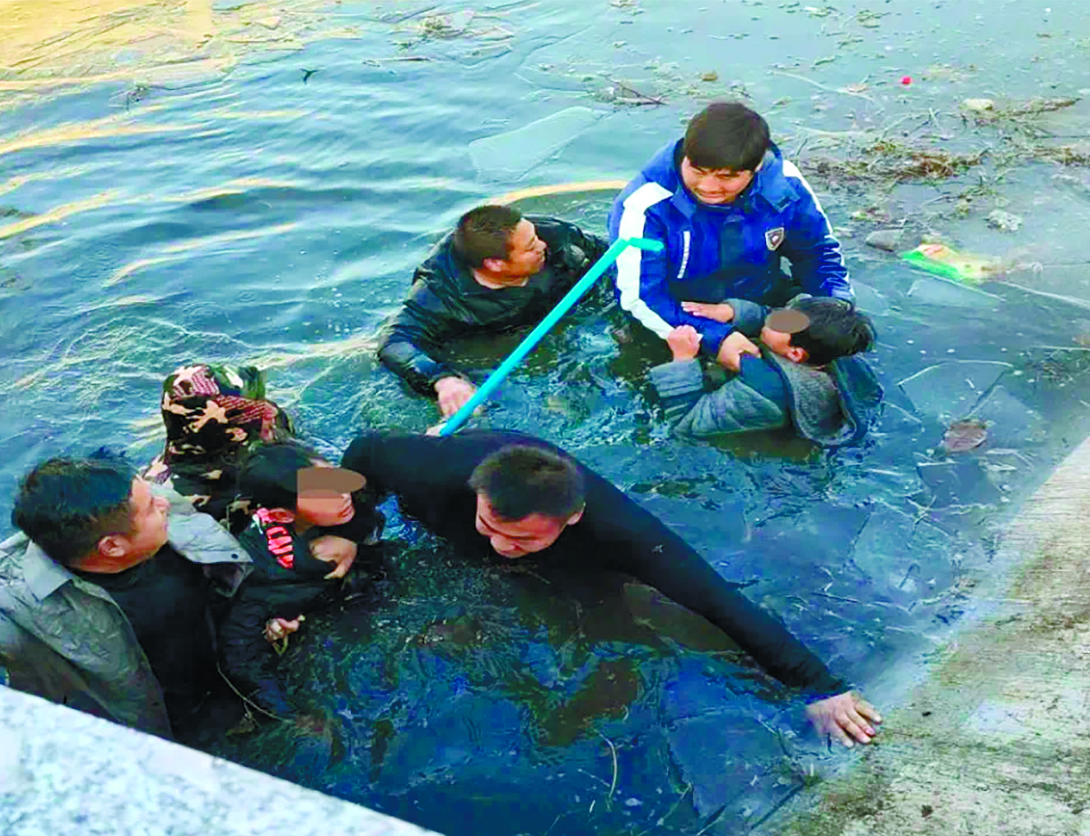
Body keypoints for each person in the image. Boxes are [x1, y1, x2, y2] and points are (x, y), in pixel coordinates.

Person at [341, 429, 882, 747]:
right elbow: (362, 452)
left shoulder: (623, 531)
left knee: (608, 613)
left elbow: (717, 599)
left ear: (571, 517)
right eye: (492, 528)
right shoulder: (433, 468)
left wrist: (818, 686)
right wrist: (343, 527)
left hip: (579, 558)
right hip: (452, 491)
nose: (503, 545)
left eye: (520, 537)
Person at [0, 451, 253, 740]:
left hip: (224, 684)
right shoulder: (9, 605)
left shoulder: (141, 503)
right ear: (112, 547)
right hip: (149, 734)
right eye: (151, 507)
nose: (164, 501)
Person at [609, 101, 854, 376]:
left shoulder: (786, 184)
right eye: (698, 171)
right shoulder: (645, 205)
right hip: (683, 317)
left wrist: (834, 309)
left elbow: (817, 252)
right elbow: (642, 296)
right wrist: (715, 338)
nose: (709, 187)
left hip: (763, 306)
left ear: (757, 166)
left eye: (727, 177)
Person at [377, 203, 610, 418]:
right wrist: (442, 379)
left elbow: (610, 257)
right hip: (492, 339)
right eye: (531, 247)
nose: (543, 245)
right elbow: (395, 342)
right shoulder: (439, 292)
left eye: (535, 236)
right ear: (495, 264)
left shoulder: (555, 235)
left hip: (572, 313)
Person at [219, 441, 385, 715]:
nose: (343, 495)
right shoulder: (264, 572)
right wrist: (291, 717)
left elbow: (370, 508)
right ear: (282, 515)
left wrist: (350, 541)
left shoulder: (341, 502)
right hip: (317, 630)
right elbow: (239, 655)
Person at [650, 296, 882, 445]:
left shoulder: (764, 393)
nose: (772, 317)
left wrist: (682, 361)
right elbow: (772, 312)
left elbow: (687, 423)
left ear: (794, 355)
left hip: (764, 424)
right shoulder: (836, 350)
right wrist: (731, 311)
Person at [143, 363, 294, 526]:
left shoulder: (270, 422)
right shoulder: (172, 504)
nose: (270, 412)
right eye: (254, 411)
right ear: (222, 428)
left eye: (260, 399)